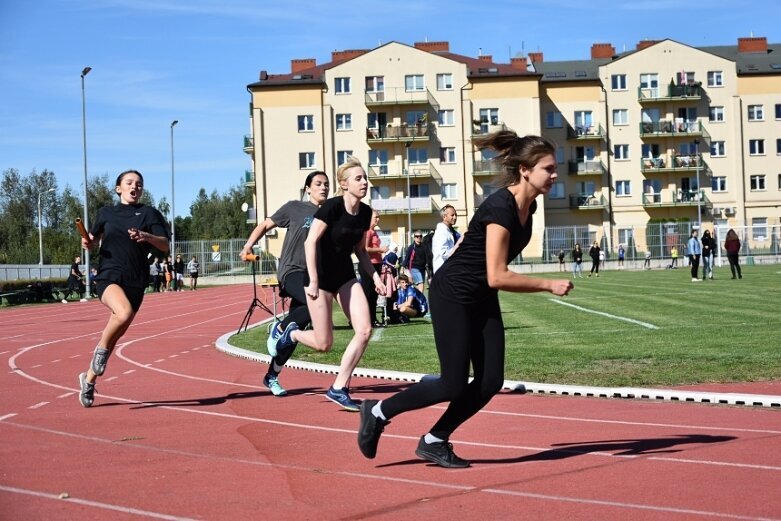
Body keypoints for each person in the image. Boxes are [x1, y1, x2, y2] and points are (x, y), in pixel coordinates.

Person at [357, 130, 573, 468]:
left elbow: (475, 247)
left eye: (555, 167)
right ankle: (379, 412)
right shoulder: (501, 206)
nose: (555, 174)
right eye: (548, 168)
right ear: (526, 170)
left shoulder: (527, 209)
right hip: (454, 294)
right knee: (452, 382)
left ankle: (434, 439)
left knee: (490, 381)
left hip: (480, 296)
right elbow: (497, 275)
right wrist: (548, 284)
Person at [273, 157, 385, 411]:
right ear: (344, 185)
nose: (364, 182)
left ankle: (339, 387)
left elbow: (360, 251)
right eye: (358, 178)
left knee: (365, 330)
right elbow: (310, 242)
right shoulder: (331, 208)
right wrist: (312, 280)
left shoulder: (365, 213)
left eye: (365, 178)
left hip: (344, 276)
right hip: (320, 277)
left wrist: (376, 277)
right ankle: (290, 333)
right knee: (324, 344)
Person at [77, 169, 170, 408]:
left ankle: (88, 380)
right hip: (109, 275)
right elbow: (92, 240)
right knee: (124, 313)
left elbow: (165, 245)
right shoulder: (106, 213)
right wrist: (87, 241)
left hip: (136, 280)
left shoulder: (149, 213)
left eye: (139, 184)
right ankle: (99, 350)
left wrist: (146, 236)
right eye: (129, 183)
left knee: (116, 333)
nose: (134, 187)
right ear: (119, 188)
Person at [239, 170, 330, 397]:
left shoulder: (330, 214)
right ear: (307, 188)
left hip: (313, 276)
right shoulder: (294, 208)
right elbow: (265, 225)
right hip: (291, 271)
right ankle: (278, 328)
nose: (323, 187)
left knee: (296, 327)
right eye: (318, 184)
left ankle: (272, 375)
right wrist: (248, 245)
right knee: (313, 307)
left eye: (326, 184)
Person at [359, 210, 388, 327]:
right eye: (376, 217)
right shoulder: (367, 232)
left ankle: (372, 319)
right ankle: (366, 321)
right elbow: (364, 249)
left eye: (379, 217)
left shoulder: (374, 232)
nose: (378, 219)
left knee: (374, 295)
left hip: (376, 264)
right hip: (368, 265)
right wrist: (380, 250)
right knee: (368, 294)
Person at [431, 204, 461, 274]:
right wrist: (458, 251)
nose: (455, 217)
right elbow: (444, 253)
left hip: (450, 271)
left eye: (456, 215)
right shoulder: (441, 232)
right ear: (444, 216)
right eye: (452, 215)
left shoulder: (451, 232)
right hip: (443, 272)